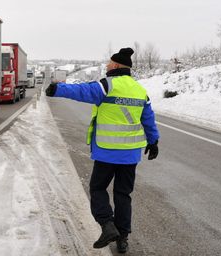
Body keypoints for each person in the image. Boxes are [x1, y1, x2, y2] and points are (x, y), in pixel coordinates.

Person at [45, 47, 160, 254]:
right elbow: (148, 119)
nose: (107, 66)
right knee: (123, 194)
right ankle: (123, 238)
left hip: (107, 152)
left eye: (109, 63)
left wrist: (57, 89)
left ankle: (107, 225)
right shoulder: (139, 90)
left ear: (116, 65)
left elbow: (82, 91)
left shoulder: (108, 85)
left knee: (98, 189)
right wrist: (153, 142)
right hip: (130, 155)